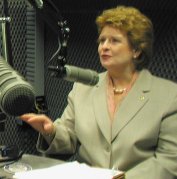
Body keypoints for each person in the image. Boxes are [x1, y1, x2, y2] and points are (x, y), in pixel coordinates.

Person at [20, 6, 177, 178]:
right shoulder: (83, 88)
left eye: (114, 41)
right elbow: (69, 136)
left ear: (136, 50)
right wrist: (50, 131)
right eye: (102, 41)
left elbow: (169, 160)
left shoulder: (169, 96)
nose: (104, 47)